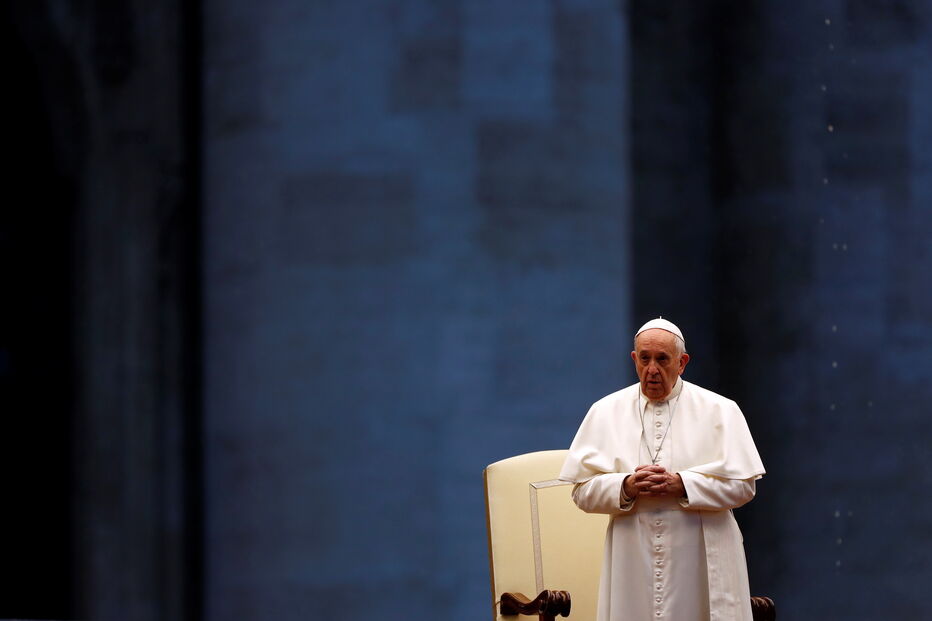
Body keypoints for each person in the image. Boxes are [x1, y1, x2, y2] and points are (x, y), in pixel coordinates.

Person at [559, 318, 765, 621]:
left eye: (662, 359)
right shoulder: (605, 411)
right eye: (644, 359)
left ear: (682, 363)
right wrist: (625, 486)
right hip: (632, 555)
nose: (652, 369)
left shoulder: (721, 410)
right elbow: (581, 492)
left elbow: (743, 487)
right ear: (634, 359)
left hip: (700, 555)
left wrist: (684, 484)